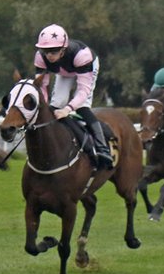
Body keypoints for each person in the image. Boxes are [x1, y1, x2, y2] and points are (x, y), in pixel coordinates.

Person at [33, 23, 113, 169]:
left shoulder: (83, 56)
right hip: (64, 72)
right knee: (55, 104)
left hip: (84, 67)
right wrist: (43, 106)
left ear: (63, 49)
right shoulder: (40, 57)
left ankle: (102, 148)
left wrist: (68, 109)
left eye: (53, 51)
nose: (49, 55)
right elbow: (42, 87)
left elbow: (83, 91)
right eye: (45, 50)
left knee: (82, 106)